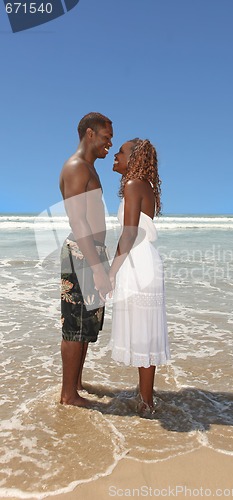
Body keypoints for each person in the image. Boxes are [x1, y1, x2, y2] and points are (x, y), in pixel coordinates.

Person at [109, 138, 170, 417]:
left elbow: (130, 233)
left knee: (144, 334)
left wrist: (111, 271)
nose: (115, 155)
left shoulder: (134, 186)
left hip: (138, 263)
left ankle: (146, 403)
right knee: (146, 332)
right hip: (145, 260)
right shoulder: (145, 187)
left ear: (134, 158)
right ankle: (146, 395)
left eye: (121, 152)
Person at [59, 112, 113, 407]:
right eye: (106, 137)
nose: (110, 143)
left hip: (91, 253)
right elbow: (78, 221)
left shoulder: (90, 169)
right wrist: (97, 267)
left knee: (85, 326)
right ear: (89, 134)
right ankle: (68, 395)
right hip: (82, 253)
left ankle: (76, 383)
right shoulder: (77, 167)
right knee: (73, 326)